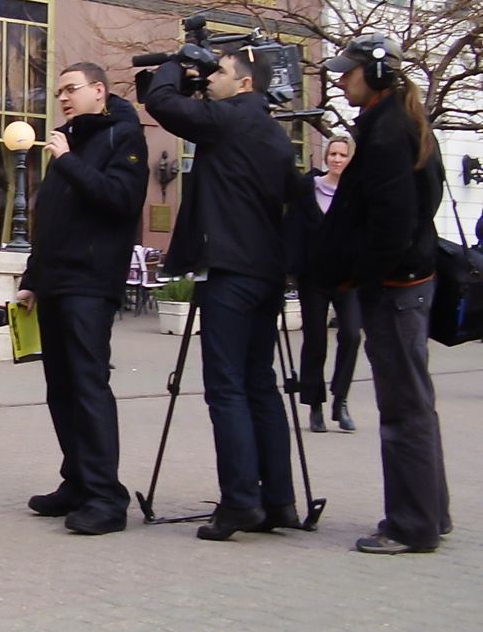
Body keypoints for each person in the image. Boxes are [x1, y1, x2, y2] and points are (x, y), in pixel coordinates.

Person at [144, 49, 299, 541]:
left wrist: (175, 64)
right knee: (260, 384)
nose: (211, 80)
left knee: (227, 387)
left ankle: (239, 502)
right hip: (265, 271)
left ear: (245, 84)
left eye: (220, 73)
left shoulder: (231, 118)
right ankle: (278, 500)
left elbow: (162, 104)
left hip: (229, 271)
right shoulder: (274, 133)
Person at [312, 35, 450, 555]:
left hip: (396, 288)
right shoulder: (394, 121)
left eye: (348, 73)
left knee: (403, 409)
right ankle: (430, 512)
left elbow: (393, 223)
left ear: (376, 74)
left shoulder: (389, 131)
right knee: (415, 404)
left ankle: (411, 525)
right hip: (404, 283)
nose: (341, 80)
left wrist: (361, 276)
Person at [15, 63, 148, 535]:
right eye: (59, 92)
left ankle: (106, 497)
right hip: (55, 282)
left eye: (71, 89)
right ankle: (77, 481)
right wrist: (32, 279)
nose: (63, 98)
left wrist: (69, 162)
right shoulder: (67, 143)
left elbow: (120, 200)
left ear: (99, 91)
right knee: (61, 388)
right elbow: (51, 219)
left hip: (90, 282)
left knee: (89, 386)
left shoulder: (123, 137)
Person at [285, 136, 363, 434]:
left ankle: (340, 400)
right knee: (316, 340)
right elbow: (292, 229)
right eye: (333, 154)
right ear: (326, 157)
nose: (337, 159)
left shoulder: (356, 193)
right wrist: (290, 269)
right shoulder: (308, 189)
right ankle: (315, 404)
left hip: (347, 278)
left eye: (343, 155)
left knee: (352, 334)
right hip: (313, 277)